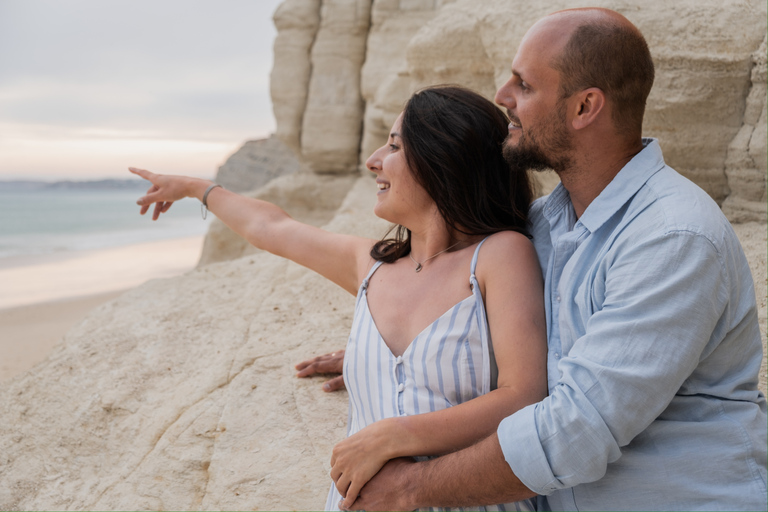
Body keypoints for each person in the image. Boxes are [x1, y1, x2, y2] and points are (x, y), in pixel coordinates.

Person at [297, 8, 768, 511]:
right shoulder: (544, 223)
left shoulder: (672, 238)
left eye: (523, 85)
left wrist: (411, 487)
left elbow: (577, 432)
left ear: (585, 107)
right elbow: (511, 335)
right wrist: (402, 357)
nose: (503, 98)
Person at [130, 85, 548, 511]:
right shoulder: (371, 267)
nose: (373, 161)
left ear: (443, 159)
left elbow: (524, 396)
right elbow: (271, 227)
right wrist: (192, 187)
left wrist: (393, 434)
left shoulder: (499, 256)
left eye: (393, 146)